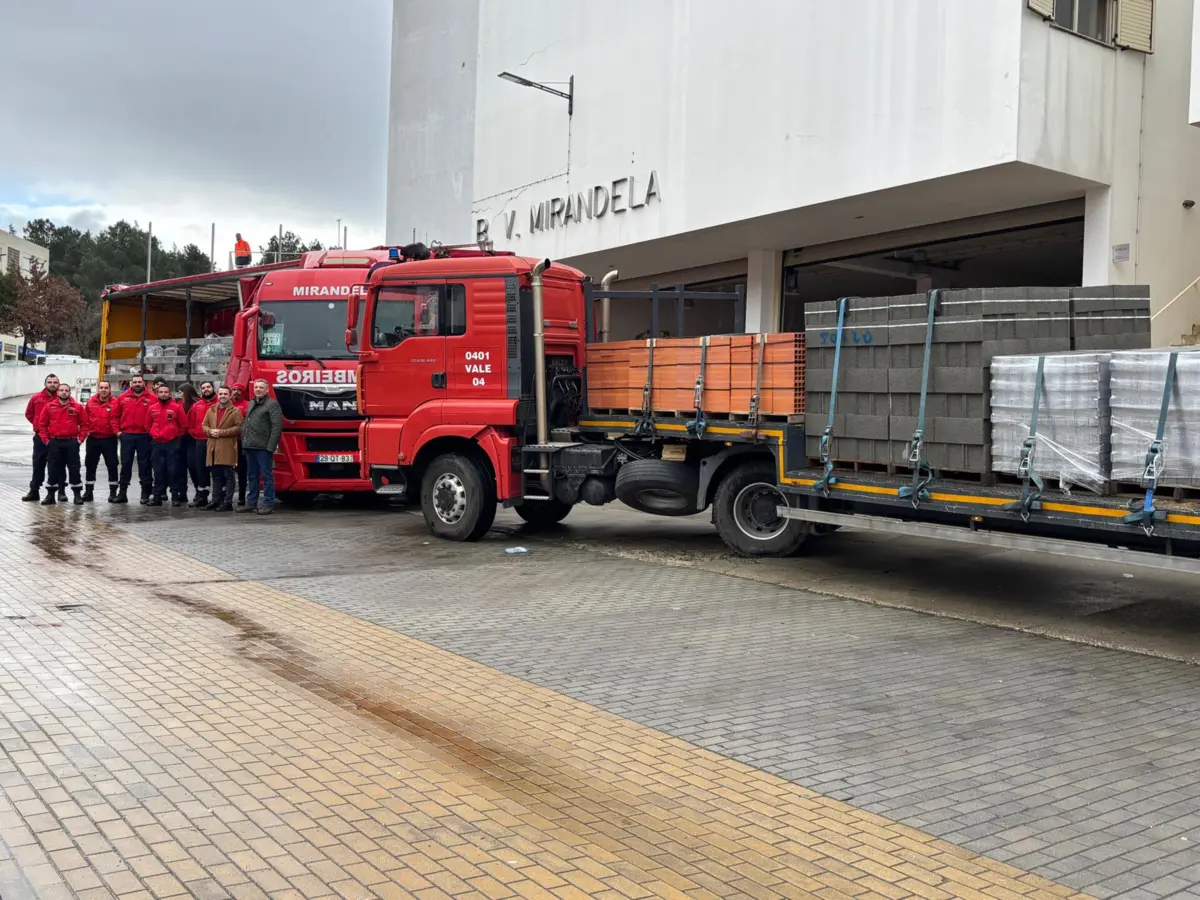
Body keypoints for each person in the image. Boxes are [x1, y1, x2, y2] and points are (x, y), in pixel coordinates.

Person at [37, 382, 87, 506]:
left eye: (66, 390)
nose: (64, 392)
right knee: (53, 468)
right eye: (61, 390)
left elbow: (85, 425)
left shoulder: (77, 407)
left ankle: (77, 495)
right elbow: (42, 425)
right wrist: (46, 440)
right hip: (54, 442)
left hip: (71, 442)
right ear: (57, 392)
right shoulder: (49, 406)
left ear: (70, 393)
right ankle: (50, 495)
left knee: (74, 468)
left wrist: (80, 440)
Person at [238, 378, 283, 515]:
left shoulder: (272, 404)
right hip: (250, 446)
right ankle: (252, 502)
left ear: (266, 390)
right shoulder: (252, 403)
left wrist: (270, 447)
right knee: (252, 476)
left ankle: (268, 503)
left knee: (267, 476)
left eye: (261, 387)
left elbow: (277, 427)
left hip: (263, 447)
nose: (258, 389)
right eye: (256, 387)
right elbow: (247, 422)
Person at [114, 374, 155, 504]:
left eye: (139, 382)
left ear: (144, 383)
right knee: (126, 464)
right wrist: (118, 432)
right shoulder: (122, 398)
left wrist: (152, 432)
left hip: (144, 436)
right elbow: (114, 416)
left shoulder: (152, 398)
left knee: (145, 465)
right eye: (135, 382)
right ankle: (122, 493)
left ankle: (145, 493)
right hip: (127, 435)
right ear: (131, 384)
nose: (137, 384)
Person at [201, 386, 244, 511]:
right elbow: (204, 424)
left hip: (227, 447)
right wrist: (209, 431)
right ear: (217, 395)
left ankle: (227, 502)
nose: (223, 396)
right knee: (215, 476)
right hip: (213, 447)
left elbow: (239, 427)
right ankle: (216, 500)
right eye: (220, 394)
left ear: (229, 395)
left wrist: (221, 432)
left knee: (228, 476)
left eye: (225, 394)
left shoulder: (235, 411)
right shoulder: (211, 409)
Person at [146, 381, 188, 507]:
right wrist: (154, 434)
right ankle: (157, 497)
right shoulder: (152, 408)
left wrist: (175, 435)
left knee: (173, 471)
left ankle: (175, 497)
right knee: (158, 471)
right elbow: (147, 425)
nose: (163, 394)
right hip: (157, 444)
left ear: (169, 393)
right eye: (161, 392)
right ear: (157, 393)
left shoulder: (176, 407)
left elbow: (184, 425)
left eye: (165, 392)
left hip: (172, 444)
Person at [21, 373, 61, 502]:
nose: (52, 385)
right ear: (45, 384)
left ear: (58, 384)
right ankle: (34, 491)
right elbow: (29, 414)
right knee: (38, 464)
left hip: (56, 438)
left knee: (55, 465)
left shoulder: (62, 398)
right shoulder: (36, 398)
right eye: (50, 382)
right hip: (40, 438)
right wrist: (37, 425)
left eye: (55, 382)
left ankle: (56, 493)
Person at [83, 381, 119, 502]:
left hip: (109, 439)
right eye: (101, 387)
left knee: (112, 465)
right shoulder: (90, 402)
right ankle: (88, 491)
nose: (103, 390)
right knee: (90, 465)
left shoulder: (115, 403)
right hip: (93, 438)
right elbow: (84, 419)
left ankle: (113, 492)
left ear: (110, 389)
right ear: (98, 389)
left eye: (106, 388)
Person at [185, 381, 215, 507]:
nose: (206, 389)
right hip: (201, 441)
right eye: (203, 388)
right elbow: (190, 423)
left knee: (217, 469)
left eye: (208, 387)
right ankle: (202, 496)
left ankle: (219, 497)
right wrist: (196, 434)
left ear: (213, 388)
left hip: (217, 441)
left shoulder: (220, 404)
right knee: (201, 469)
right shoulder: (197, 406)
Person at [231, 382, 249, 505]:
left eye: (239, 390)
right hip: (228, 442)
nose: (236, 392)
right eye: (234, 389)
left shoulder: (247, 405)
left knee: (242, 470)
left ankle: (242, 496)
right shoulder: (228, 404)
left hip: (241, 441)